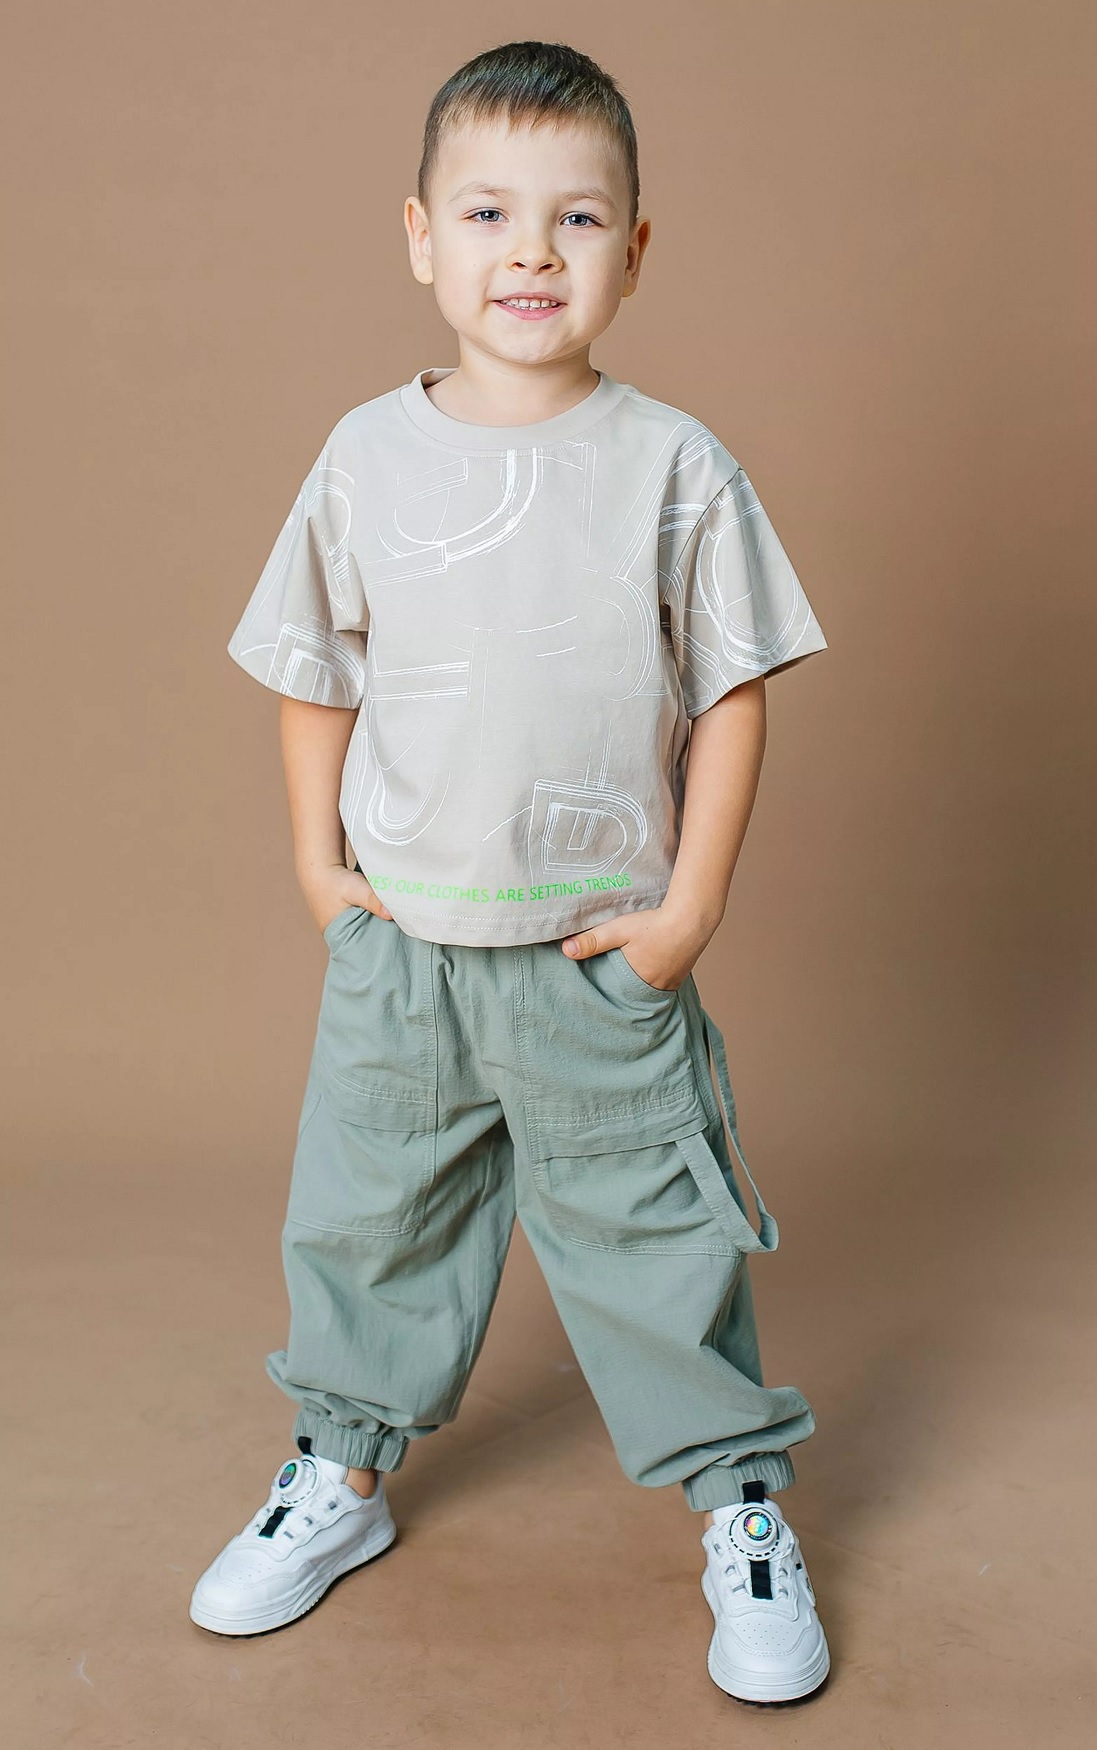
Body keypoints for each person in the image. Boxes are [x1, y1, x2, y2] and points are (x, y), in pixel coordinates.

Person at [191, 38, 831, 1705]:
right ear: (420, 237)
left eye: (577, 217)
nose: (531, 251)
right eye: (487, 212)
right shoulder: (364, 456)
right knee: (368, 1223)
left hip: (594, 960)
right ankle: (340, 1468)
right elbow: (313, 667)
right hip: (404, 954)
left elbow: (735, 688)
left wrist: (689, 910)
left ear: (635, 248)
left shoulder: (674, 464)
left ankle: (740, 1500)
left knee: (654, 1241)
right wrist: (319, 868)